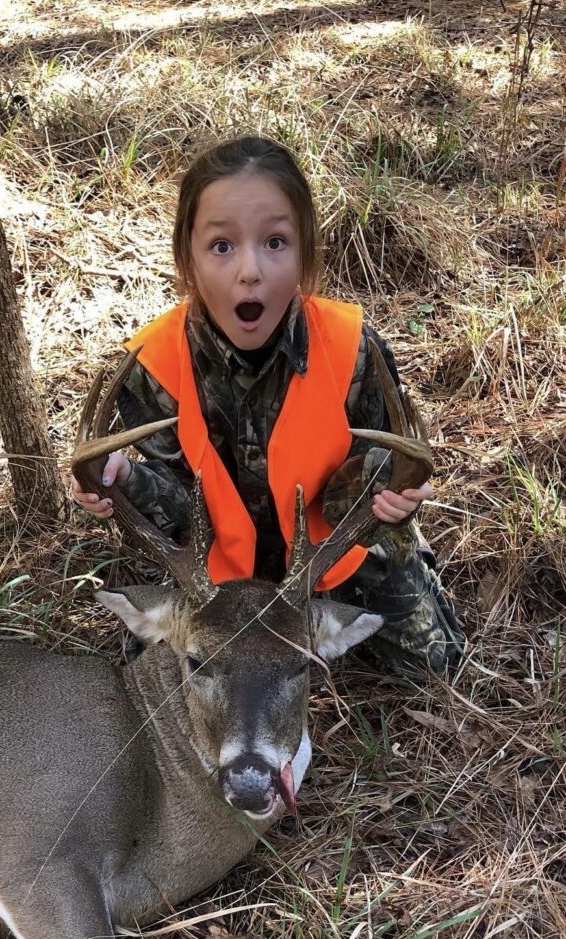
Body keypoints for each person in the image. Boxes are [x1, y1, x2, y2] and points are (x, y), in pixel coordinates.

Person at [72, 136, 464, 676]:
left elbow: (376, 468)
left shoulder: (351, 349)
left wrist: (393, 497)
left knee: (432, 664)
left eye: (276, 242)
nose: (250, 270)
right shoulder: (154, 366)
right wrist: (126, 480)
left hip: (332, 554)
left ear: (306, 252)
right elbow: (180, 507)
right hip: (218, 567)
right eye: (221, 246)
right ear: (187, 257)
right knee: (158, 676)